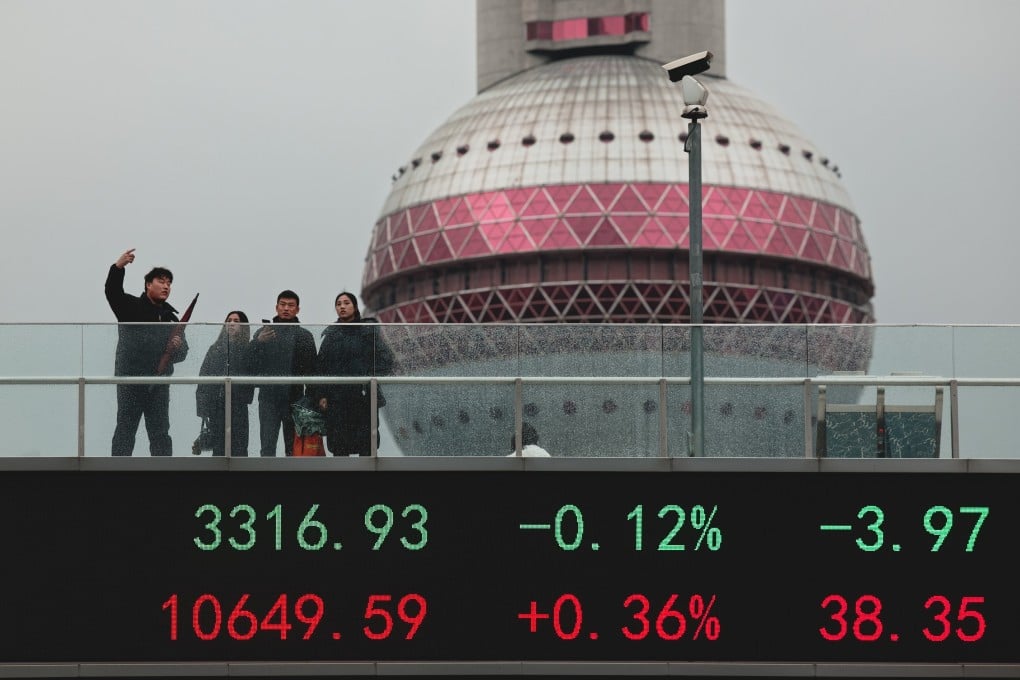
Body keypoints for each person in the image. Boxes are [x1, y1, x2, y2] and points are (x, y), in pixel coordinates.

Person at [104, 248, 189, 456]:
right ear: (148, 284)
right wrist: (118, 267)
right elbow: (112, 293)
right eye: (161, 281)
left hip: (159, 384)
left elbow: (183, 352)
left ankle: (164, 478)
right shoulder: (130, 306)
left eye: (169, 283)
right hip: (130, 381)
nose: (166, 286)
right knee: (125, 431)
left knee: (160, 434)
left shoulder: (170, 317)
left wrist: (178, 346)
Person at [314, 292, 394, 456]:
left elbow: (386, 361)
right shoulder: (331, 336)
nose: (342, 306)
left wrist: (366, 376)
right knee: (339, 448)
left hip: (363, 399)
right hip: (337, 401)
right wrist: (321, 395)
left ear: (355, 307)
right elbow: (320, 368)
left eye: (346, 303)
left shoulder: (368, 332)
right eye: (338, 304)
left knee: (366, 447)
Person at [249, 291, 316, 456]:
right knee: (267, 447)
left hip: (295, 399)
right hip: (268, 399)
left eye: (291, 305)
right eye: (283, 304)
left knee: (293, 449)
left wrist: (311, 399)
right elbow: (248, 363)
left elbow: (313, 371)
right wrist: (258, 343)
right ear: (276, 307)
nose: (286, 308)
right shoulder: (263, 333)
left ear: (297, 309)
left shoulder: (304, 336)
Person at [196, 311, 254, 457]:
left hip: (238, 406)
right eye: (229, 320)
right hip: (217, 407)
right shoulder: (215, 349)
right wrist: (203, 409)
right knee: (219, 450)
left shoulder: (248, 349)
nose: (232, 323)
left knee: (240, 448)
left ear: (243, 326)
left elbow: (252, 374)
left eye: (236, 321)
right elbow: (203, 378)